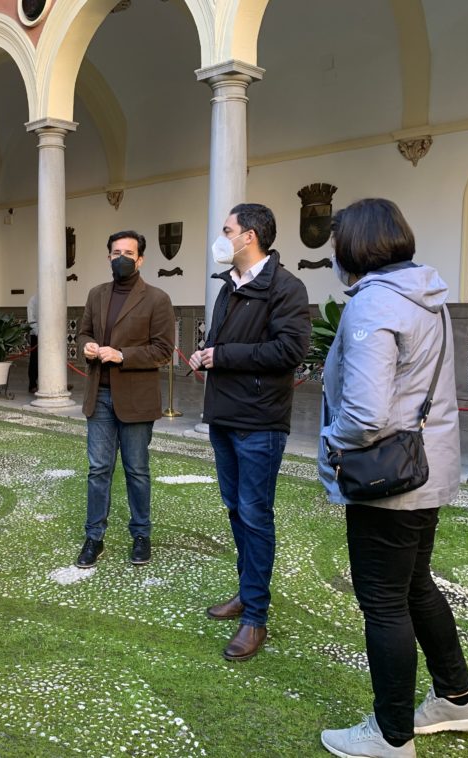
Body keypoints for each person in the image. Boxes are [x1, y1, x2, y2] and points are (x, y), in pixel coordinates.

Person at [317, 199, 468, 758]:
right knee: (415, 587)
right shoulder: (426, 296)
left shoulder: (374, 305)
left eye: (336, 240)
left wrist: (332, 443)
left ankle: (391, 735)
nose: (333, 252)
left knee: (385, 602)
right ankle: (457, 699)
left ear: (355, 245)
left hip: (388, 479)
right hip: (425, 468)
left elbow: (365, 414)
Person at [189, 203, 310, 662]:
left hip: (259, 421)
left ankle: (254, 616)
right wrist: (206, 353)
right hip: (224, 416)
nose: (221, 238)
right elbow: (223, 343)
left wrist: (224, 356)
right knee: (236, 511)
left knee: (255, 515)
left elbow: (289, 350)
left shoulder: (286, 287)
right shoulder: (229, 287)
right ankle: (247, 590)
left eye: (227, 230)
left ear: (250, 236)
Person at [76, 230, 175, 568]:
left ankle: (141, 535)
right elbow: (83, 332)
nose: (122, 257)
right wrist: (87, 346)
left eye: (128, 253)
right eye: (116, 251)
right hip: (99, 396)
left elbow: (163, 350)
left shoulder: (157, 298)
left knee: (137, 471)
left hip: (136, 399)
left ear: (140, 259)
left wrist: (122, 355)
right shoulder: (96, 294)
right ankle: (94, 538)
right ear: (108, 256)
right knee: (98, 469)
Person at [27, 293, 39, 394]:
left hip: (51, 336)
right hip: (36, 335)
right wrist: (39, 333)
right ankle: (32, 384)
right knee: (35, 359)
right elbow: (31, 320)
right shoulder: (33, 300)